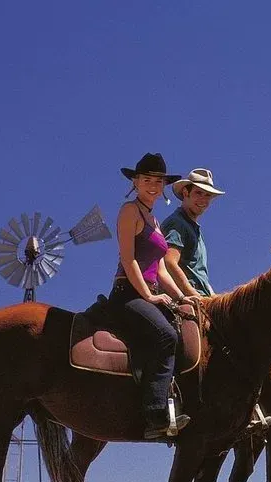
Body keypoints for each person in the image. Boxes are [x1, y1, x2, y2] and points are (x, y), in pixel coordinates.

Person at [109, 153, 190, 440]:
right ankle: (156, 415)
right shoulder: (129, 211)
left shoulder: (154, 220)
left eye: (158, 182)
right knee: (167, 336)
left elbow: (162, 269)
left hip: (149, 292)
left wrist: (183, 297)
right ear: (135, 181)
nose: (153, 186)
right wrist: (149, 296)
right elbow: (129, 260)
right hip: (128, 293)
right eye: (147, 180)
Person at [162, 168, 224, 298]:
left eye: (208, 195)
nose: (203, 199)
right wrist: (192, 293)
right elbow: (169, 262)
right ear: (186, 192)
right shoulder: (177, 223)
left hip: (202, 297)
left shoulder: (194, 229)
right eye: (198, 193)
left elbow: (199, 275)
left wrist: (214, 298)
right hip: (184, 298)